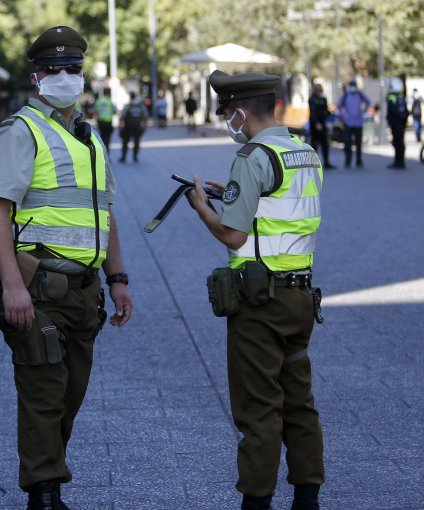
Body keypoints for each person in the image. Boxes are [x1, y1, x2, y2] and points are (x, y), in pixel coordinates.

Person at [0, 25, 133, 509]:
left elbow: (102, 213)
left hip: (85, 290)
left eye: (73, 69)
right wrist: (12, 288)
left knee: (71, 393)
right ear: (36, 77)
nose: (64, 77)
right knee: (44, 392)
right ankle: (44, 494)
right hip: (38, 285)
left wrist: (118, 278)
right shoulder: (19, 132)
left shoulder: (89, 136)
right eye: (54, 70)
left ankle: (46, 475)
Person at [185, 70, 325, 510]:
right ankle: (307, 497)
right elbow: (278, 209)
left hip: (260, 301)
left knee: (259, 407)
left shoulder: (253, 155)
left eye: (229, 113)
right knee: (299, 401)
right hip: (301, 294)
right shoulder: (304, 152)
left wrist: (202, 208)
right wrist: (229, 196)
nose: (230, 121)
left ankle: (257, 502)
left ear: (241, 112)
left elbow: (233, 235)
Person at [336, 80, 370, 168]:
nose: (352, 87)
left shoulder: (359, 94)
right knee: (347, 143)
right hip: (348, 122)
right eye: (351, 85)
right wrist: (342, 115)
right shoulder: (346, 95)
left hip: (358, 122)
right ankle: (348, 160)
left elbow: (368, 101)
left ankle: (359, 160)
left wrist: (364, 110)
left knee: (358, 143)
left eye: (353, 85)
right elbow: (339, 106)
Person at [308, 83, 336, 169]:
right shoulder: (312, 99)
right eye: (317, 89)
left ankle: (326, 162)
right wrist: (316, 123)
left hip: (323, 124)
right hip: (315, 124)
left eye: (320, 88)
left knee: (325, 144)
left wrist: (331, 113)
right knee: (314, 144)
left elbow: (325, 110)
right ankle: (312, 163)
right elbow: (313, 112)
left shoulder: (323, 99)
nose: (318, 90)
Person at [386, 84, 409, 170]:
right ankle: (400, 161)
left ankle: (398, 161)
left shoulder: (392, 97)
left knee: (397, 142)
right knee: (400, 142)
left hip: (395, 124)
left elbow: (392, 111)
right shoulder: (401, 97)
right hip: (401, 124)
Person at [119, 91, 146, 163]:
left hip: (128, 127)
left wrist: (121, 126)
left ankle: (124, 157)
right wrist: (144, 126)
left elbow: (123, 116)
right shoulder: (140, 105)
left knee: (125, 142)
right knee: (136, 141)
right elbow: (145, 116)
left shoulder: (128, 105)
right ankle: (135, 156)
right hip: (137, 126)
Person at [93, 88, 117, 153]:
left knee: (102, 138)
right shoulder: (110, 101)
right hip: (108, 122)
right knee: (107, 139)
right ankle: (107, 154)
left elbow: (95, 111)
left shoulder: (99, 101)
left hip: (101, 122)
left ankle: (102, 154)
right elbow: (115, 111)